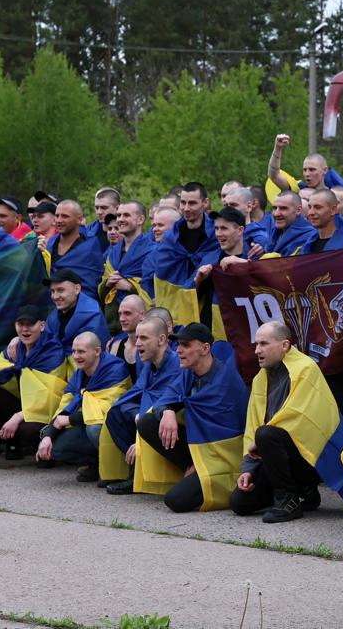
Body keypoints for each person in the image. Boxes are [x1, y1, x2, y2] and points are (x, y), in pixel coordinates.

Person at [232, 321, 343, 522]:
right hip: (276, 456)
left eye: (264, 344)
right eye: (256, 344)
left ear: (285, 345)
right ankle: (305, 493)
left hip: (312, 459)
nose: (257, 350)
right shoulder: (260, 378)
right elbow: (252, 425)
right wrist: (248, 469)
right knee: (239, 503)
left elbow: (296, 416)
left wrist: (260, 440)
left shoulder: (305, 368)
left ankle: (289, 501)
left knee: (266, 433)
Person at [136, 323, 249, 512]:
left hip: (224, 458)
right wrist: (168, 411)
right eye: (178, 344)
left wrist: (202, 464)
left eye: (186, 345)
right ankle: (190, 464)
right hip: (199, 448)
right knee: (148, 422)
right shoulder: (189, 372)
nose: (178, 350)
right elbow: (164, 399)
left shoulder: (225, 381)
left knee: (175, 500)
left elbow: (224, 434)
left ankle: (209, 476)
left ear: (205, 349)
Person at [0, 306, 65, 471]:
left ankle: (47, 451)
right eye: (20, 324)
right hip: (25, 406)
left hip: (48, 414)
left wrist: (17, 417)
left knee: (27, 430)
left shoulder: (53, 352)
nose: (25, 329)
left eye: (30, 324)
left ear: (42, 326)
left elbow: (50, 401)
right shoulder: (16, 348)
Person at [100, 315, 182, 495]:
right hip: (148, 416)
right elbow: (137, 393)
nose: (137, 343)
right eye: (136, 338)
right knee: (116, 412)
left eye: (143, 338)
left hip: (172, 425)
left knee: (148, 420)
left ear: (162, 340)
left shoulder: (177, 364)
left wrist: (140, 436)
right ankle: (136, 469)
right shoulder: (148, 364)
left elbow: (166, 402)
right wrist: (136, 414)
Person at [35, 331, 131, 482]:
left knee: (94, 429)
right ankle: (95, 464)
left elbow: (108, 410)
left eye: (81, 352)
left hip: (114, 427)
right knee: (55, 447)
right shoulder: (79, 375)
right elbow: (65, 407)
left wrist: (70, 420)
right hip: (84, 422)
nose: (76, 356)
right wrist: (48, 435)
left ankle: (118, 472)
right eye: (73, 351)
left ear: (97, 351)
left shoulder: (115, 370)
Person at [150, 182, 218, 327]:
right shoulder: (171, 237)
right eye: (183, 203)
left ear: (205, 203)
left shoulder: (216, 234)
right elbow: (161, 275)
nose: (186, 208)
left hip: (207, 306)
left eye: (192, 203)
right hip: (174, 309)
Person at [40, 268, 110, 358]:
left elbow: (89, 357)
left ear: (77, 289)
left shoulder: (92, 315)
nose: (55, 296)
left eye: (60, 290)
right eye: (52, 291)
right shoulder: (53, 316)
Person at [100, 200, 155, 312]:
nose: (120, 219)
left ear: (140, 220)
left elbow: (155, 287)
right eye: (119, 215)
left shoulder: (152, 250)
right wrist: (108, 283)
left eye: (126, 215)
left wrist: (131, 287)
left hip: (141, 317)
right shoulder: (113, 251)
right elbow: (102, 285)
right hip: (113, 317)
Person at [47, 200, 108, 301]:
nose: (59, 220)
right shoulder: (50, 243)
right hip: (50, 302)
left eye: (65, 216)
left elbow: (92, 284)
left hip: (80, 306)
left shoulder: (90, 247)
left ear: (79, 219)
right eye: (57, 216)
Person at [265, 191, 317, 256]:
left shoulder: (311, 237)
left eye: (283, 208)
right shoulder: (273, 232)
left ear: (298, 210)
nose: (276, 214)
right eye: (275, 208)